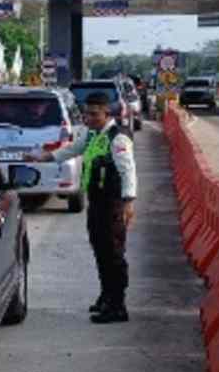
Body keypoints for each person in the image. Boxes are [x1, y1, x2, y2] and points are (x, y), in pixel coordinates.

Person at [25, 91, 137, 323]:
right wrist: (44, 157)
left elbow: (128, 172)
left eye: (95, 114)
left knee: (113, 255)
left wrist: (128, 203)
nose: (89, 118)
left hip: (113, 204)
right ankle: (106, 297)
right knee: (100, 252)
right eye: (87, 113)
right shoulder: (91, 135)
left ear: (107, 113)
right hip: (96, 202)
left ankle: (118, 306)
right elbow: (71, 150)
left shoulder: (118, 138)